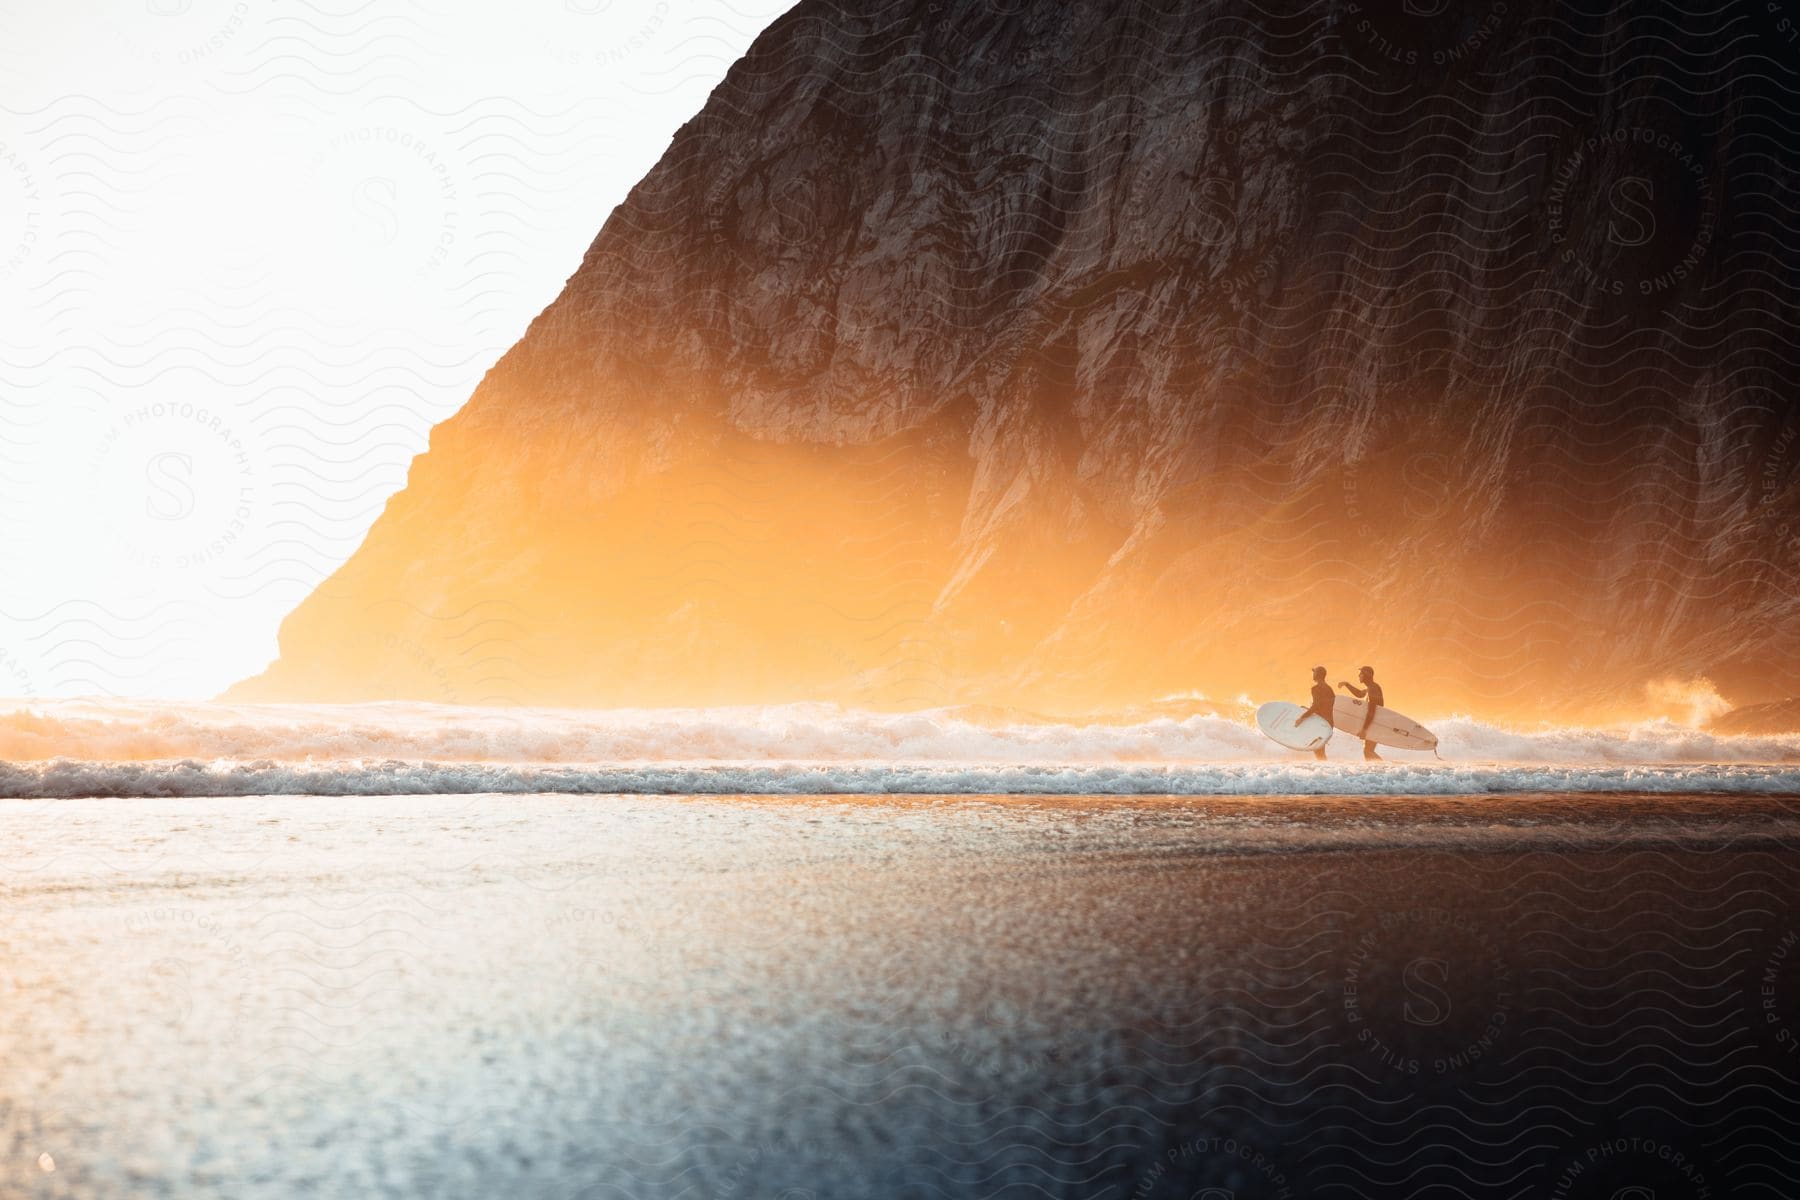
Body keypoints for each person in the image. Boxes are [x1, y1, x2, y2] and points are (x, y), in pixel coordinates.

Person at [1337, 666, 1384, 760]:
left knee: (1368, 751)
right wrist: (1347, 684)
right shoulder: (1370, 688)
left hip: (1374, 724)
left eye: (1361, 673)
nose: (1359, 675)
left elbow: (1372, 710)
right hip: (1374, 723)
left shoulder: (1373, 688)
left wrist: (1364, 729)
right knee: (1368, 751)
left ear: (1367, 675)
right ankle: (1381, 770)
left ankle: (1386, 769)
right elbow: (1359, 694)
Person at [1294, 665, 1335, 759]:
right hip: (1329, 722)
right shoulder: (1329, 689)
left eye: (1314, 672)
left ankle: (1325, 771)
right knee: (1320, 750)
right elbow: (1324, 706)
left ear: (1317, 674)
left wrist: (1302, 717)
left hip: (1319, 723)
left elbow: (1316, 706)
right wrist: (1309, 709)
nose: (1313, 674)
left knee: (1318, 751)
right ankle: (1326, 770)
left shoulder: (1316, 689)